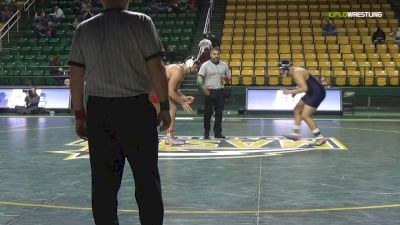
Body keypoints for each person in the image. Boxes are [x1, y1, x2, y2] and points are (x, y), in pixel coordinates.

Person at [68, 0, 171, 224]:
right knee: (147, 181)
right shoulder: (143, 22)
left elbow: (76, 77)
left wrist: (79, 115)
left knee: (104, 186)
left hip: (100, 112)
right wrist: (164, 107)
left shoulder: (84, 29)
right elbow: (156, 68)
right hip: (137, 112)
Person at [150, 56, 200, 145]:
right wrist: (182, 103)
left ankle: (169, 135)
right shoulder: (178, 71)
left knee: (172, 108)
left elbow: (175, 90)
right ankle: (165, 137)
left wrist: (184, 97)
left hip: (158, 88)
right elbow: (170, 91)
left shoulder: (181, 72)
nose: (196, 70)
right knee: (157, 113)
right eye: (195, 67)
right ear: (189, 64)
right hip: (154, 88)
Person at [279, 60, 327, 146]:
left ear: (286, 69)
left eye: (281, 69)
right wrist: (295, 92)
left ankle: (320, 138)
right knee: (297, 109)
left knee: (305, 115)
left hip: (317, 93)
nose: (280, 72)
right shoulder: (294, 71)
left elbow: (304, 88)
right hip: (311, 92)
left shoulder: (296, 72)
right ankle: (296, 135)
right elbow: (302, 84)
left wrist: (289, 92)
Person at [197, 47, 231, 139]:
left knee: (219, 114)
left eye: (218, 54)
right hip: (209, 91)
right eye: (214, 54)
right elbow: (200, 77)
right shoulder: (205, 65)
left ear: (219, 55)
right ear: (211, 55)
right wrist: (203, 87)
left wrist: (226, 78)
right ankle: (206, 133)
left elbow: (229, 80)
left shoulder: (224, 65)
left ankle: (218, 133)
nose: (216, 56)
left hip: (220, 91)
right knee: (208, 113)